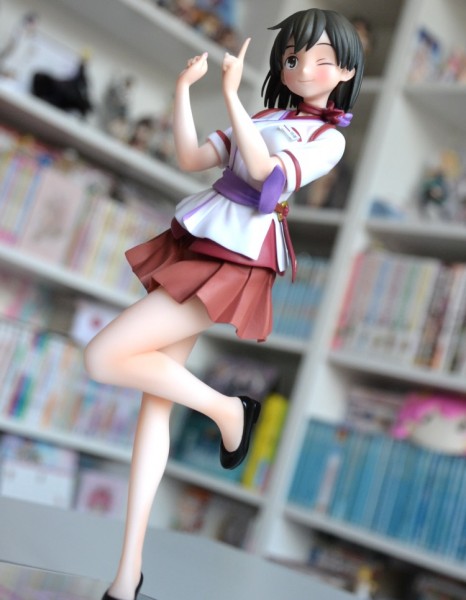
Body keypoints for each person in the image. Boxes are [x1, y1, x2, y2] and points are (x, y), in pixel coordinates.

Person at [84, 8, 364, 600]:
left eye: (319, 60)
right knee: (155, 403)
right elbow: (192, 158)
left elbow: (263, 173)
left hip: (234, 254)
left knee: (103, 356)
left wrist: (233, 95)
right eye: (293, 57)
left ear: (344, 70)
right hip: (200, 231)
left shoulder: (328, 139)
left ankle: (230, 412)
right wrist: (185, 91)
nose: (302, 68)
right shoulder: (266, 114)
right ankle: (127, 573)